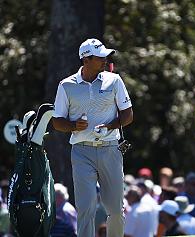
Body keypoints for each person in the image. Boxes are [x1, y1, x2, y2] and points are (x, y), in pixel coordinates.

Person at [52, 38, 133, 237]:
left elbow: (128, 114)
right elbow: (57, 122)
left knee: (115, 209)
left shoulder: (114, 80)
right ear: (86, 60)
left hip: (110, 148)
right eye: (100, 57)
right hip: (81, 151)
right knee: (86, 207)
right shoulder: (66, 85)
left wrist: (111, 125)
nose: (105, 60)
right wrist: (73, 126)